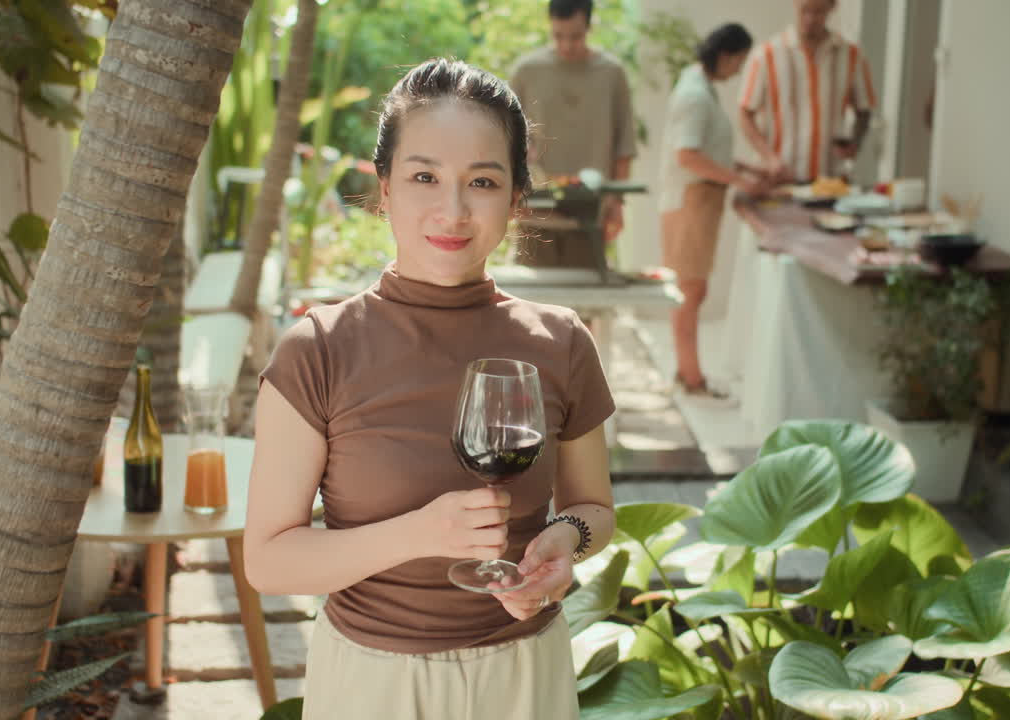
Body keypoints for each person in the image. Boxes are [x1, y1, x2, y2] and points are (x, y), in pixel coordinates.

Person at [244, 58, 617, 720]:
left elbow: (593, 507)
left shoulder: (561, 343)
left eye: (482, 181)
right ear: (384, 188)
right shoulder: (318, 350)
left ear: (516, 198)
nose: (452, 209)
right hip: (372, 682)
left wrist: (564, 542)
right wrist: (421, 533)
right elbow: (269, 562)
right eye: (424, 177)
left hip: (524, 675)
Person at [658, 23, 763, 397]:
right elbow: (688, 155)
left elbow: (704, 149)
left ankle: (688, 373)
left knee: (691, 289)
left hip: (697, 200)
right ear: (727, 55)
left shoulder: (699, 85)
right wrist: (740, 180)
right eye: (739, 62)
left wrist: (745, 169)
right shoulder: (696, 95)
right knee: (690, 291)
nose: (738, 71)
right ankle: (691, 377)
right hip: (692, 201)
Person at [509, 0, 637, 268]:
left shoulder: (612, 74)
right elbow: (506, 141)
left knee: (585, 305)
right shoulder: (527, 72)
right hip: (535, 214)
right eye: (558, 36)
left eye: (576, 37)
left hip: (590, 215)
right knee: (532, 305)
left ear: (590, 27)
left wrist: (617, 203)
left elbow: (624, 146)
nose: (567, 45)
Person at [738, 0, 877, 183]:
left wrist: (855, 141)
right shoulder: (766, 55)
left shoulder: (852, 55)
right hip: (777, 180)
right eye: (805, 10)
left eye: (818, 12)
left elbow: (864, 109)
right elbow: (745, 114)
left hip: (830, 180)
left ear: (833, 7)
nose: (810, 19)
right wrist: (769, 158)